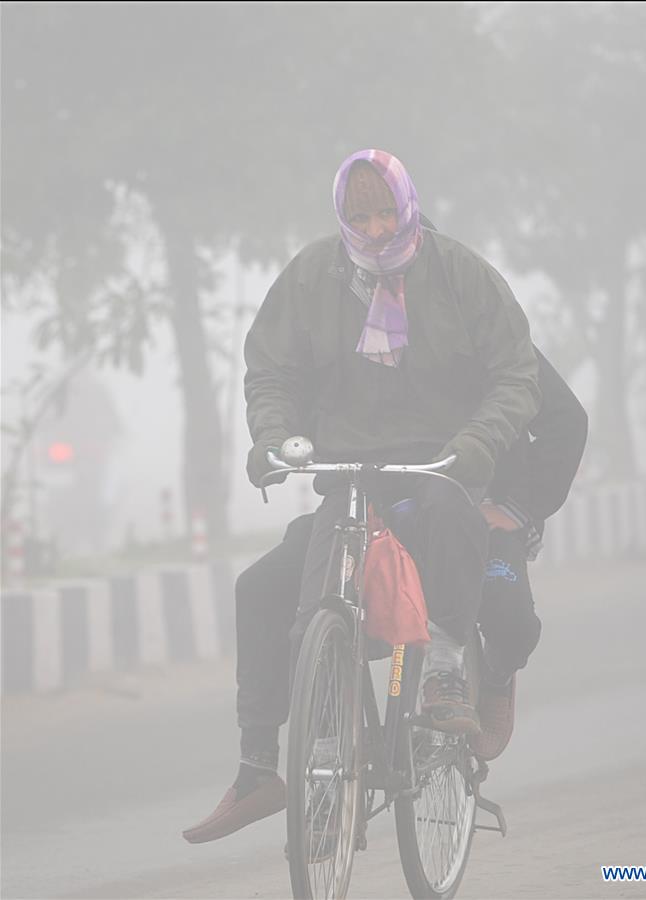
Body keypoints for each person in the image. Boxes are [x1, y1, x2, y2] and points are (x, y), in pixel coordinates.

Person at [183, 148, 542, 841]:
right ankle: (277, 765)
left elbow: (515, 374)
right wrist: (272, 437)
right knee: (289, 604)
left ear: (407, 206)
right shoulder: (311, 277)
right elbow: (271, 372)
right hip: (349, 476)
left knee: (451, 523)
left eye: (384, 212)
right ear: (341, 218)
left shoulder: (460, 274)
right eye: (360, 216)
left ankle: (444, 672)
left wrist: (478, 440)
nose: (375, 229)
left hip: (438, 467)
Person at [183, 343, 586, 843]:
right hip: (372, 504)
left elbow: (566, 420)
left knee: (511, 620)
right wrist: (276, 440)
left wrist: (519, 507)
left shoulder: (479, 322)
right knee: (262, 587)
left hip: (470, 507)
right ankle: (260, 767)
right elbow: (287, 391)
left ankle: (495, 676)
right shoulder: (342, 328)